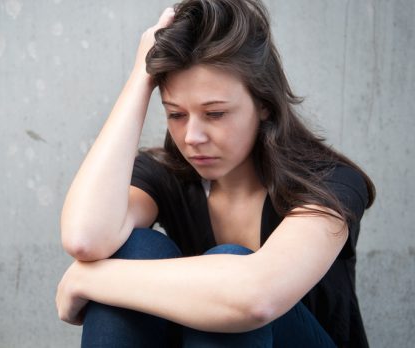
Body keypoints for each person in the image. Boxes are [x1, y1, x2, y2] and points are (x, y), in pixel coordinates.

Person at [56, 0, 376, 347]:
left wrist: (88, 281)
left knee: (232, 272)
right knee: (136, 248)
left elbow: (255, 297)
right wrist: (140, 78)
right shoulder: (168, 175)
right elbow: (85, 238)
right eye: (176, 114)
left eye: (216, 114)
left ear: (264, 105)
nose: (192, 137)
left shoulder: (330, 181)